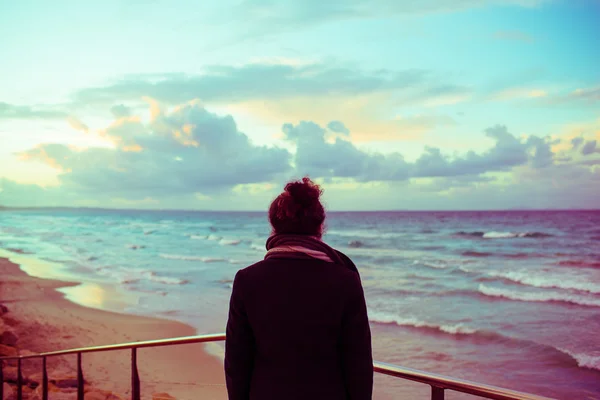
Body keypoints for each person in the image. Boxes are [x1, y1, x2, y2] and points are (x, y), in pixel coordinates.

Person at [224, 177, 373, 400]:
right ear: (320, 226)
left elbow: (237, 360)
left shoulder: (248, 279)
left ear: (274, 227)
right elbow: (358, 362)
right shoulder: (345, 279)